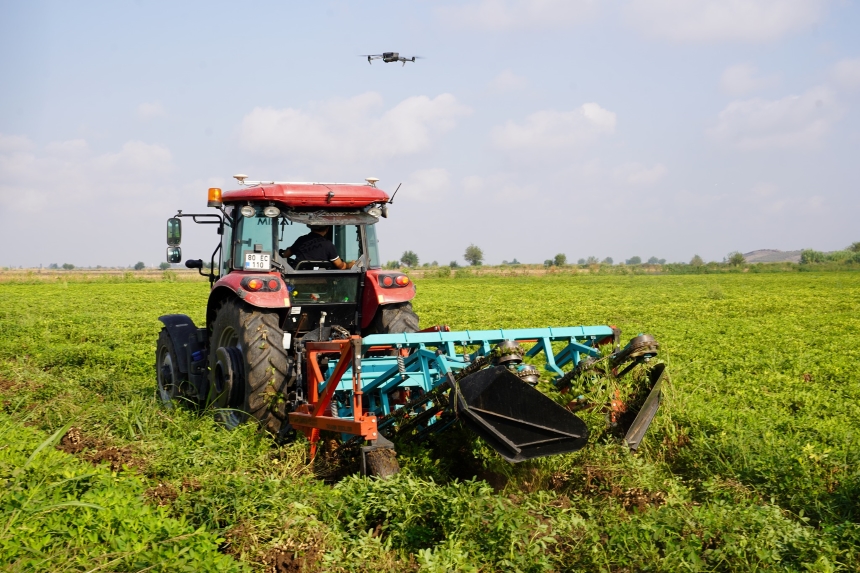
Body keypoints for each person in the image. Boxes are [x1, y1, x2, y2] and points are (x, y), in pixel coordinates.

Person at [278, 225, 352, 269]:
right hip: (324, 282)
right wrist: (350, 265)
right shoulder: (328, 245)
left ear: (311, 228)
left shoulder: (301, 240)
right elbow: (340, 266)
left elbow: (285, 255)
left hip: (299, 280)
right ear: (327, 229)